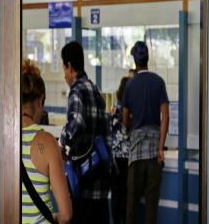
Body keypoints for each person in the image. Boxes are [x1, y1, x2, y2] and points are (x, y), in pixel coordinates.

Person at [59, 41, 111, 224]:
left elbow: (76, 122)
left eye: (64, 68)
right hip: (101, 182)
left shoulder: (76, 91)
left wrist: (62, 143)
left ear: (70, 67)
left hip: (85, 182)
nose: (64, 75)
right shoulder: (94, 89)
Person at [122, 41, 169, 224]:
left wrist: (131, 130)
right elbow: (165, 116)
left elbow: (125, 118)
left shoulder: (130, 85)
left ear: (135, 60)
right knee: (151, 210)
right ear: (148, 58)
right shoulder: (159, 82)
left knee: (131, 208)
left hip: (135, 153)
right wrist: (160, 148)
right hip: (154, 156)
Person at [21, 60, 72, 224]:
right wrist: (53, 217)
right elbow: (66, 215)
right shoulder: (48, 143)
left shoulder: (2, 140)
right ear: (40, 100)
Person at [109, 76, 131, 224]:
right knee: (125, 194)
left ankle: (117, 220)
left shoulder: (115, 107)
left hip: (115, 157)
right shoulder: (126, 108)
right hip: (126, 157)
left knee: (117, 194)